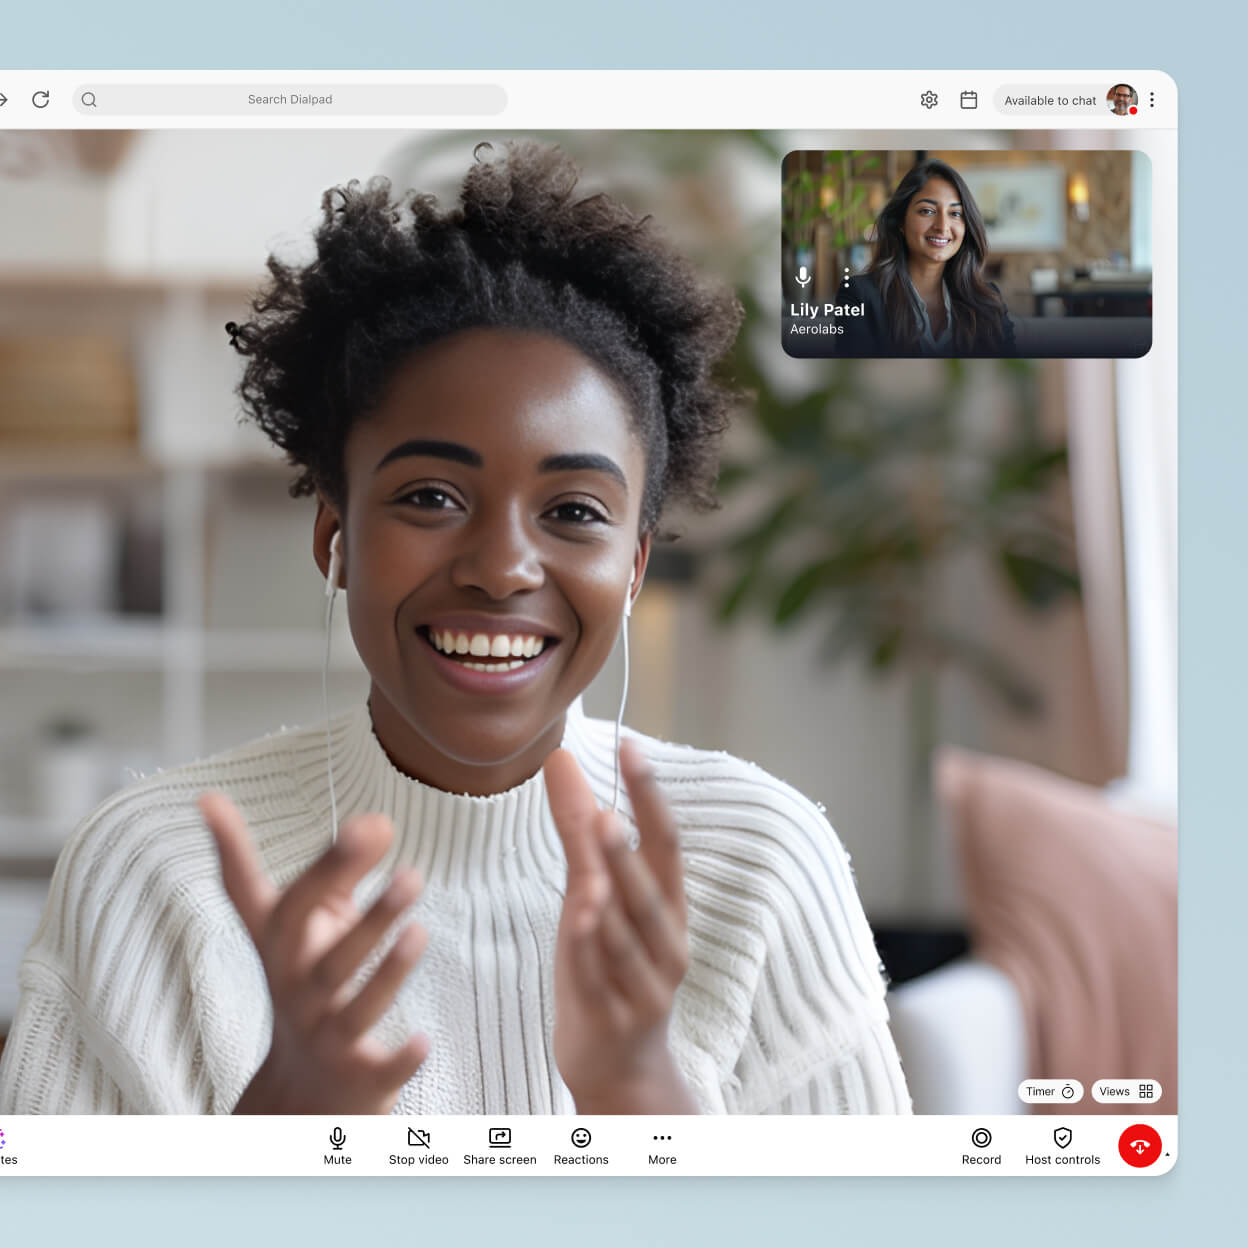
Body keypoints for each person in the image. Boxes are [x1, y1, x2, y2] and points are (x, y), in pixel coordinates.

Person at [0, 141, 911, 1116]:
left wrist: (646, 1104)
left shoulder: (760, 864)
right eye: (432, 496)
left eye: (574, 511)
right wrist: (278, 1136)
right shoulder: (154, 871)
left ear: (635, 568)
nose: (503, 567)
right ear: (336, 537)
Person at [836, 158, 1015, 357]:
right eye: (927, 211)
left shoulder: (989, 301)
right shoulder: (859, 296)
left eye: (955, 213)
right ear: (901, 222)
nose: (942, 226)